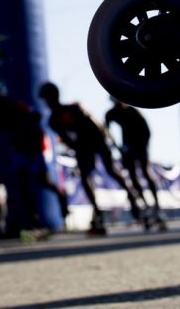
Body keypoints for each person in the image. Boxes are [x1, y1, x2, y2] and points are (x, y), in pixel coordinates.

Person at [38, 81, 145, 235]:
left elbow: (96, 125)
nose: (47, 102)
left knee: (111, 170)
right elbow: (67, 139)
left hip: (97, 139)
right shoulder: (53, 120)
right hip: (83, 145)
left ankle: (133, 198)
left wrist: (107, 144)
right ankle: (97, 212)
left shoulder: (74, 108)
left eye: (48, 98)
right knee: (84, 177)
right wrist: (78, 151)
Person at [0, 82, 68, 233]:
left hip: (34, 148)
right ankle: (32, 219)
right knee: (23, 185)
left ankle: (63, 205)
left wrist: (24, 127)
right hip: (20, 150)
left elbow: (35, 116)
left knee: (43, 180)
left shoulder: (16, 106)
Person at [105, 97, 167, 231]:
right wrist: (117, 147)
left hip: (139, 145)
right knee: (133, 177)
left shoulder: (133, 112)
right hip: (127, 148)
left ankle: (156, 206)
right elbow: (107, 131)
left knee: (145, 172)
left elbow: (147, 132)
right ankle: (144, 206)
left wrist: (143, 148)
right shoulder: (111, 114)